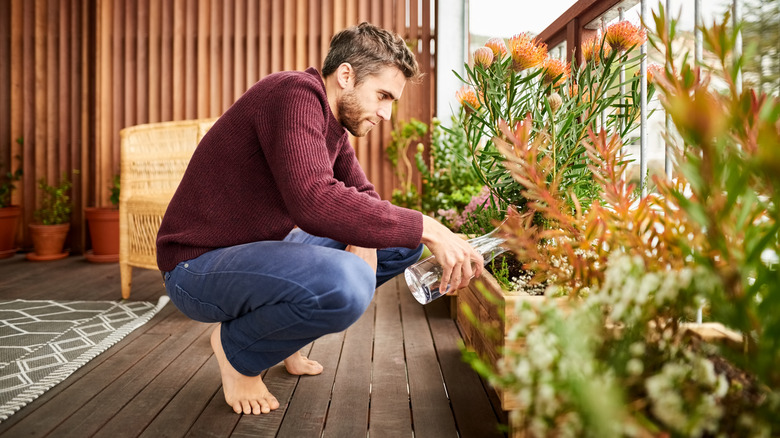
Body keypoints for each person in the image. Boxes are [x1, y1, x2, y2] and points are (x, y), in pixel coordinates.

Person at [156, 22, 484, 416]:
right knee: (347, 283)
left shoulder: (333, 127)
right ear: (346, 75)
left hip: (258, 254)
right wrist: (430, 226)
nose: (386, 113)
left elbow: (363, 197)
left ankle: (279, 337)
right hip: (197, 266)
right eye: (382, 95)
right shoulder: (293, 93)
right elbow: (312, 199)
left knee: (399, 243)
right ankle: (238, 351)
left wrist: (370, 234)